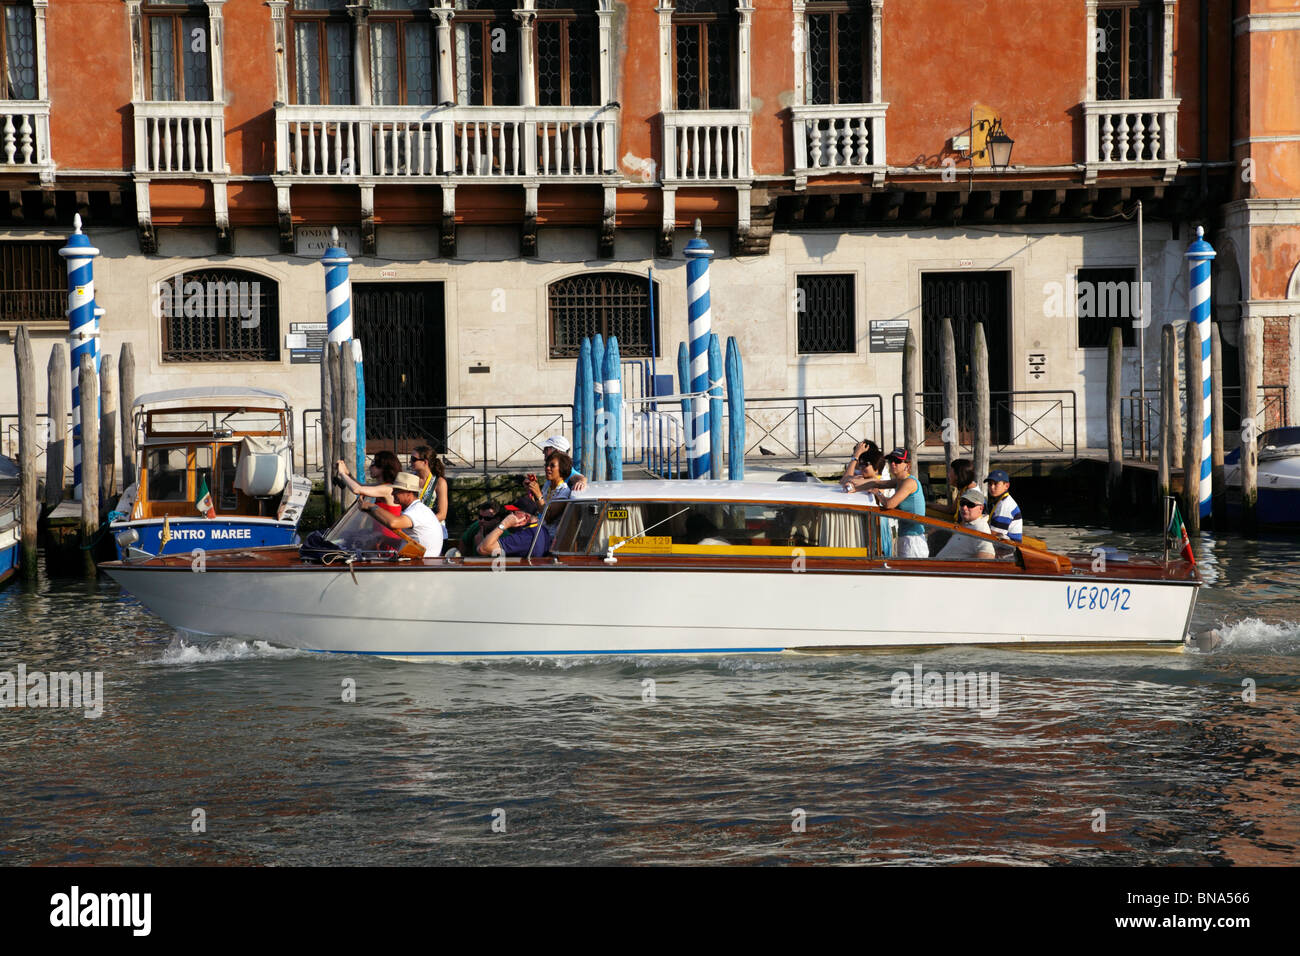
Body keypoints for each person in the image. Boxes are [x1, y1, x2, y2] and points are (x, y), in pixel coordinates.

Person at [857, 447, 928, 558]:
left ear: (907, 465)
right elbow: (875, 483)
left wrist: (877, 493)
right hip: (905, 537)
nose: (893, 464)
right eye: (891, 461)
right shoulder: (899, 481)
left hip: (914, 540)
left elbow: (889, 504)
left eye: (898, 461)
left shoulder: (909, 482)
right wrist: (854, 488)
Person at [360, 471, 444, 554]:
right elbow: (410, 543)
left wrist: (370, 506)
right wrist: (385, 539)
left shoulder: (417, 511)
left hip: (421, 564)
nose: (392, 493)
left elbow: (393, 523)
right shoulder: (417, 509)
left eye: (396, 490)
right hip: (419, 562)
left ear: (408, 493)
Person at [478, 499, 566, 557]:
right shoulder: (542, 529)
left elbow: (483, 548)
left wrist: (503, 525)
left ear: (526, 518)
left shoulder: (523, 538)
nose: (510, 515)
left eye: (514, 512)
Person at [935, 487, 996, 560]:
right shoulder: (967, 524)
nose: (964, 507)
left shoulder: (980, 527)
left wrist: (959, 567)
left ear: (981, 508)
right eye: (962, 503)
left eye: (970, 504)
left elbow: (988, 556)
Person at [409, 446, 449, 534]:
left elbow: (442, 514)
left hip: (434, 530)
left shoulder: (440, 482)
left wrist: (422, 523)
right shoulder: (410, 479)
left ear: (425, 462)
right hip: (414, 530)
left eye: (413, 459)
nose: (410, 461)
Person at [985, 469, 1023, 543]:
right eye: (990, 484)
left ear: (1006, 486)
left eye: (996, 484)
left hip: (1009, 548)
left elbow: (995, 534)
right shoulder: (999, 501)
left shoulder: (1005, 505)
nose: (992, 487)